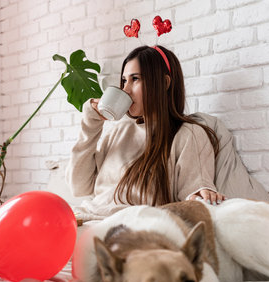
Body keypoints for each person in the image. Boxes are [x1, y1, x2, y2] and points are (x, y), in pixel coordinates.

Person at [66, 45, 227, 221]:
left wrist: (202, 195)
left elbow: (194, 192)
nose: (125, 90)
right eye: (124, 81)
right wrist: (90, 124)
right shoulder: (118, 132)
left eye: (135, 79)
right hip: (83, 217)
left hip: (126, 226)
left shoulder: (188, 134)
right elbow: (78, 186)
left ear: (164, 83)